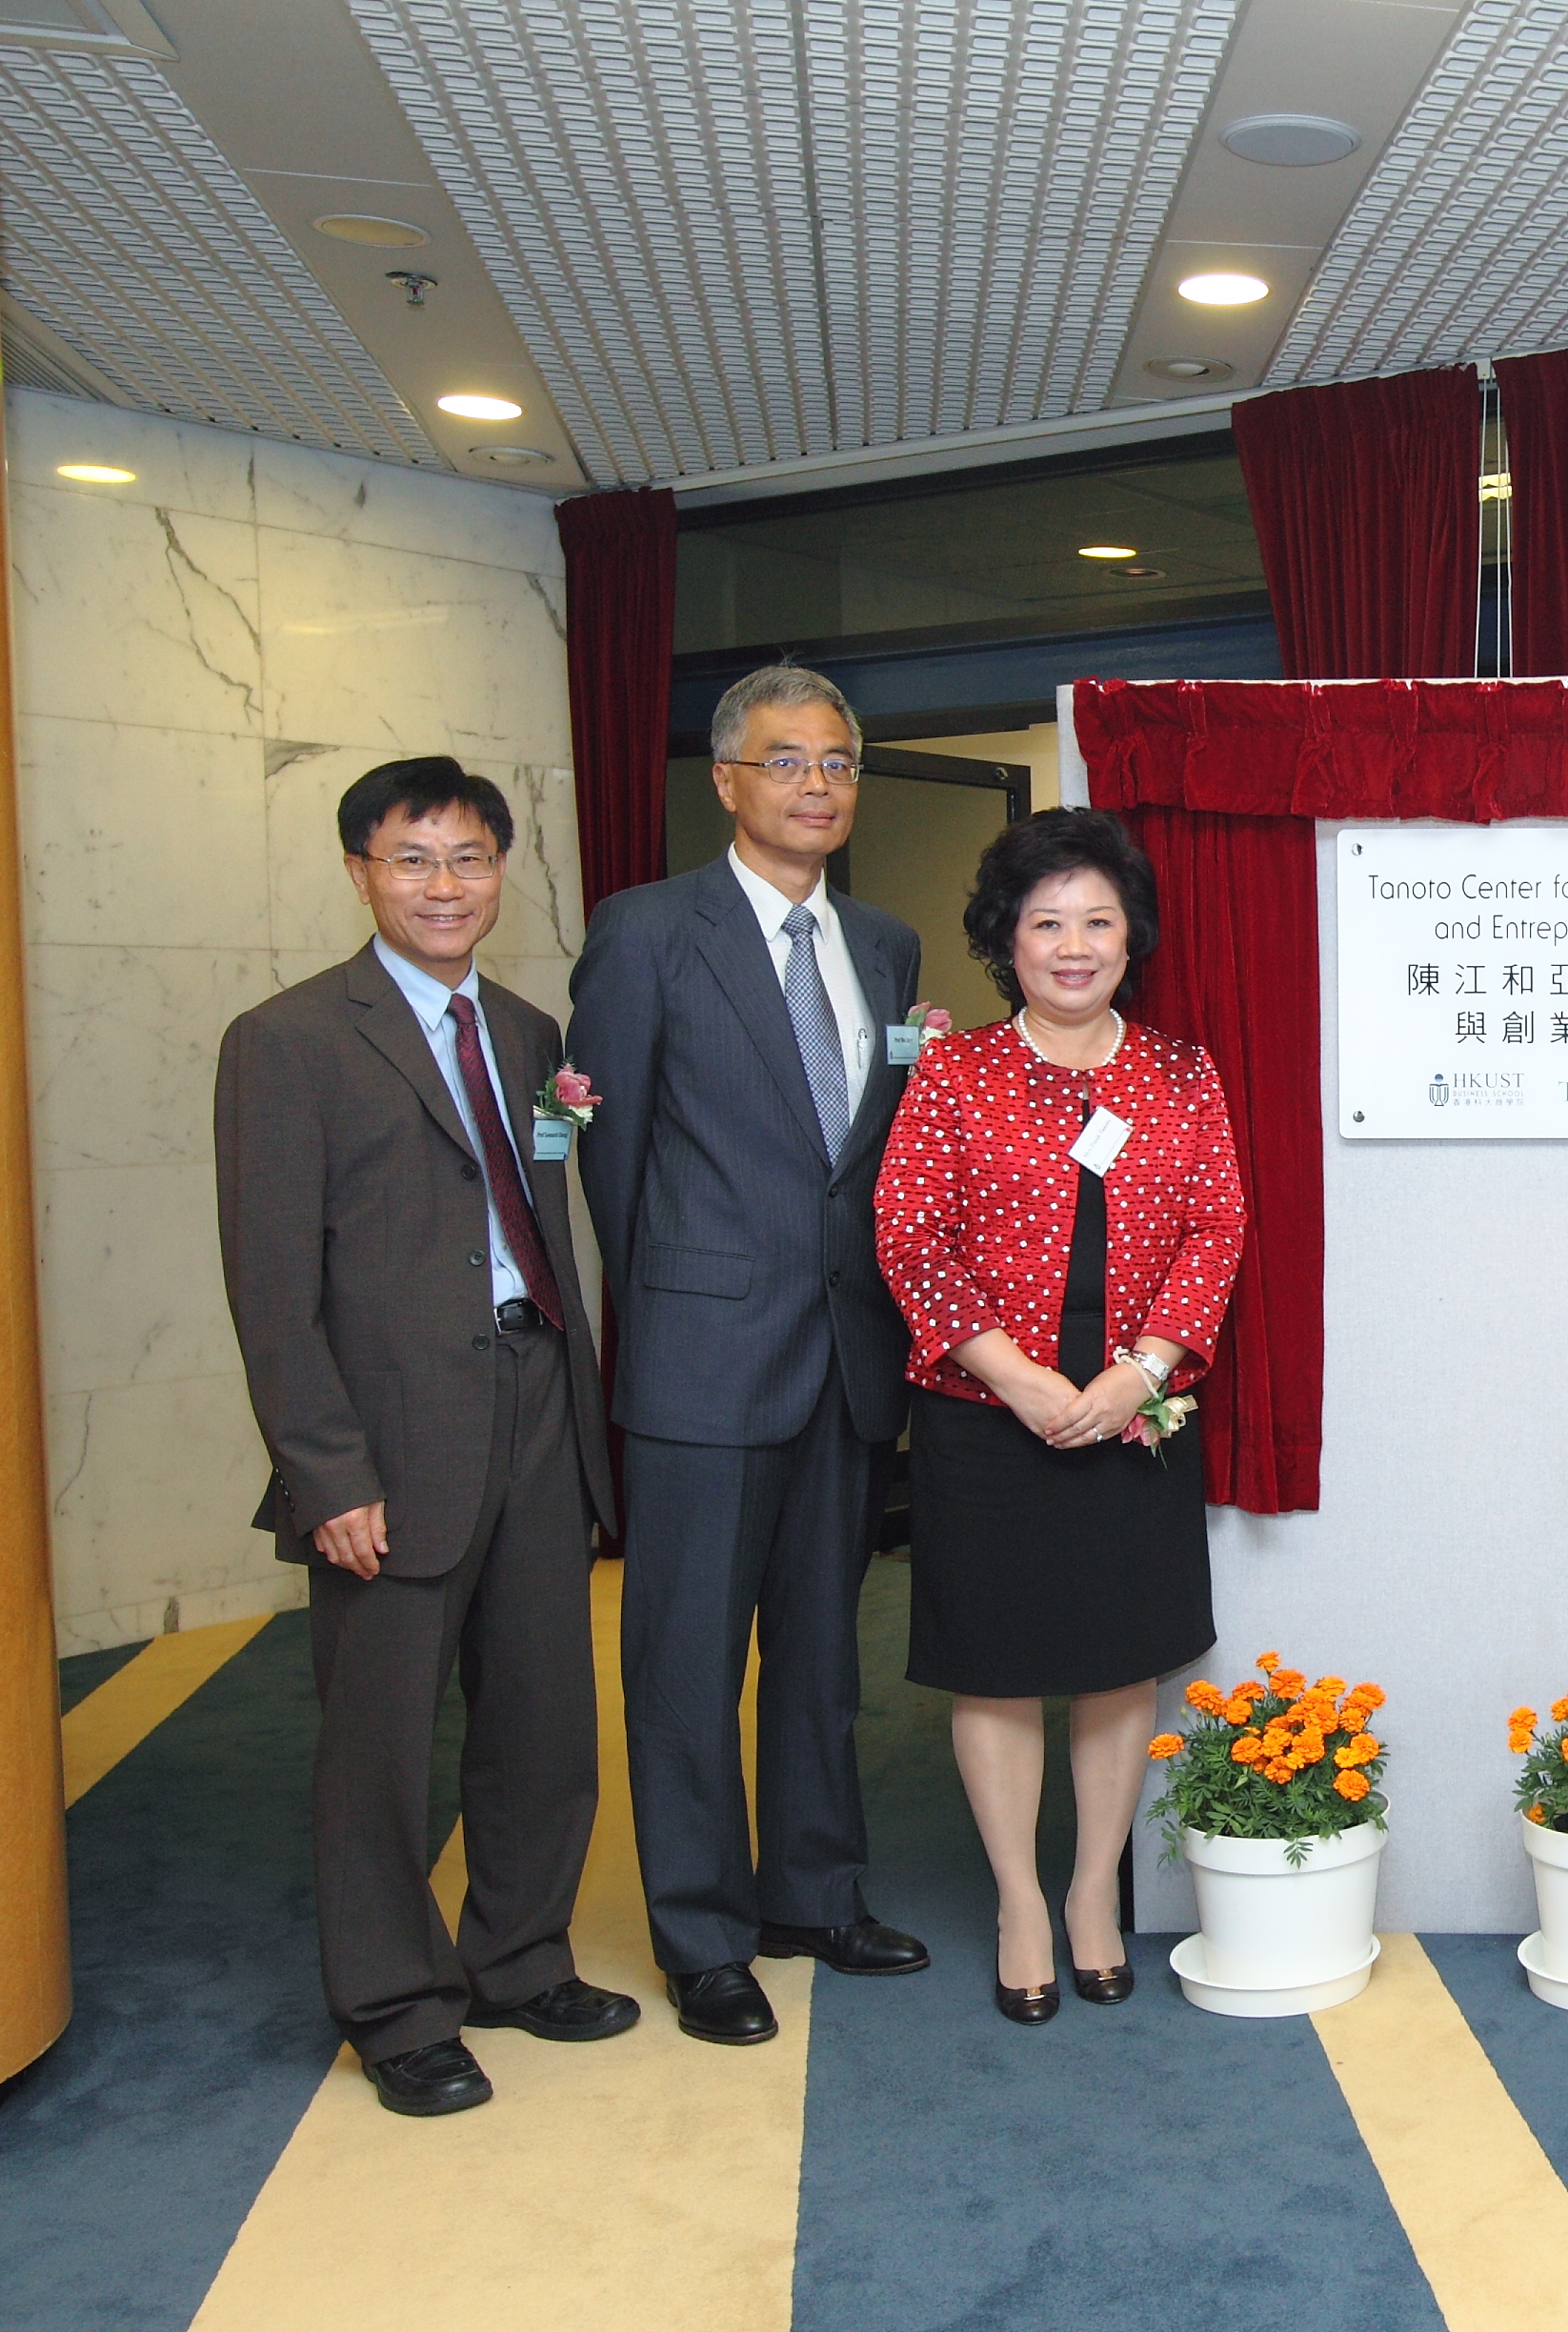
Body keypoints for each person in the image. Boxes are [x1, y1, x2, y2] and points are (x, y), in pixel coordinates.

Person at [215, 757, 631, 2116]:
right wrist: (327, 1467)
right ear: (359, 872)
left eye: (468, 859)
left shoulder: (522, 1029)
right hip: (389, 1443)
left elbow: (542, 1222)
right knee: (381, 1745)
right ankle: (397, 2005)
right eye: (413, 860)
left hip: (534, 1410)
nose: (444, 886)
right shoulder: (287, 1041)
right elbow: (271, 1288)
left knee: (543, 1719)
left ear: (500, 871)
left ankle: (517, 1957)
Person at [568, 663, 931, 2046]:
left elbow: (871, 1160)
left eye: (838, 761)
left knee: (825, 1656)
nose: (818, 785)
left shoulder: (886, 945)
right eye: (787, 762)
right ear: (725, 782)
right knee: (685, 1662)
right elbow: (612, 1161)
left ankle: (815, 1897)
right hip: (700, 1363)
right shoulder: (648, 932)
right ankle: (705, 1933)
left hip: (846, 1358)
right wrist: (665, 1325)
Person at [874, 809, 1242, 2023]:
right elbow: (910, 1238)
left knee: (1112, 1665)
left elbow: (1215, 1229)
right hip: (989, 1420)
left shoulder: (1181, 1073)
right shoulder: (956, 1072)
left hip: (1133, 1417)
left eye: (1097, 920)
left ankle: (1092, 1891)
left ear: (1131, 936)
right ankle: (1019, 1902)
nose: (1073, 946)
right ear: (1006, 941)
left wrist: (1139, 1374)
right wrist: (1018, 1381)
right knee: (998, 1668)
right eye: (1047, 924)